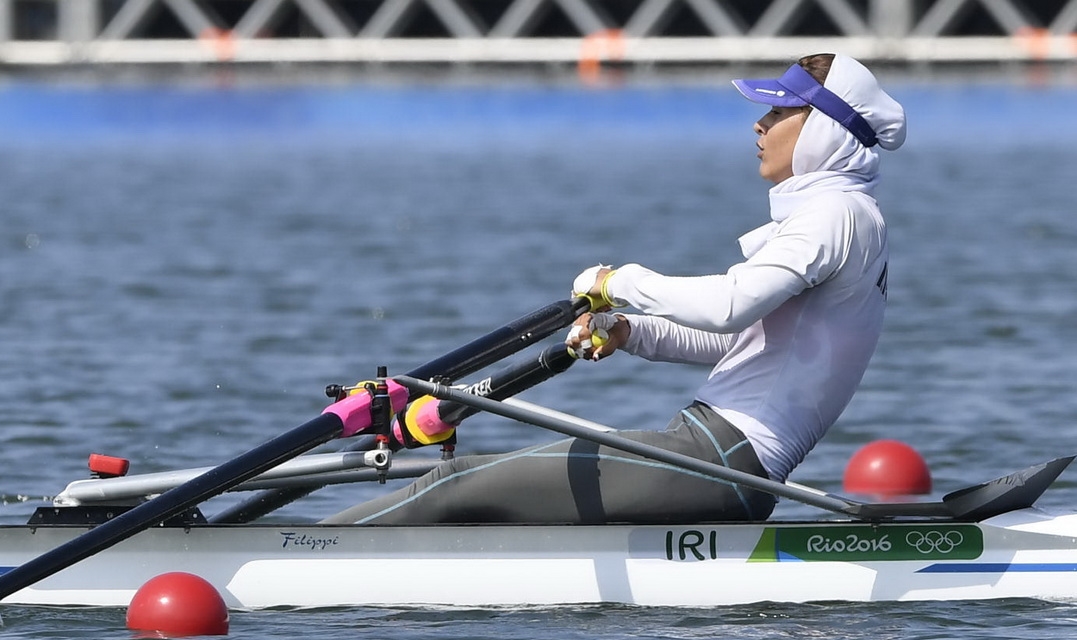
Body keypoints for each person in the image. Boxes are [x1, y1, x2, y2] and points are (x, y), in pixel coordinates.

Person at [323, 53, 906, 525]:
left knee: (453, 483)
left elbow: (729, 307)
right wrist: (628, 330)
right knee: (479, 496)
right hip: (719, 459)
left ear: (824, 129)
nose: (758, 125)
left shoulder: (833, 214)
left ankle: (298, 554)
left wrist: (617, 281)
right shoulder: (851, 216)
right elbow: (744, 343)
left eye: (778, 114)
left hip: (719, 460)